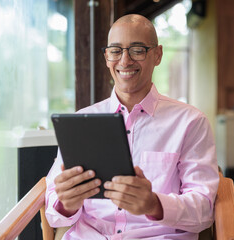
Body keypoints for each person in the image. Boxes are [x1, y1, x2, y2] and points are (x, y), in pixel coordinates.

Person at [45, 14, 219, 240]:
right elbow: (53, 210)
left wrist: (154, 204)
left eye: (137, 50)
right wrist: (66, 204)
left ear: (157, 55)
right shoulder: (82, 121)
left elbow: (204, 210)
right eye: (116, 51)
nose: (125, 61)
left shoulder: (191, 122)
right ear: (107, 57)